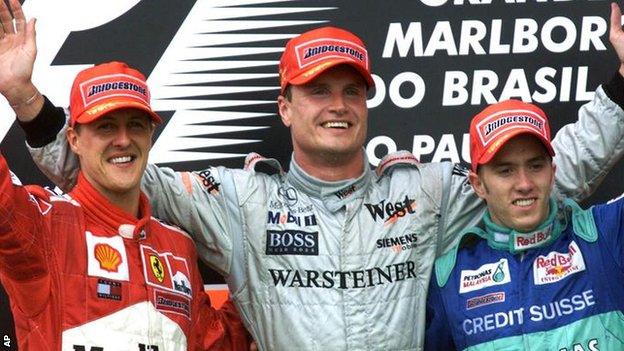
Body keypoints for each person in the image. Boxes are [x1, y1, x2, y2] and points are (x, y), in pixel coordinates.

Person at [4, 1, 624, 349]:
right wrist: (27, 99)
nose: (337, 105)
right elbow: (106, 170)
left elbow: (549, 177)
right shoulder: (238, 199)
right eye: (318, 90)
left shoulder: (424, 191)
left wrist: (622, 84)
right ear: (285, 107)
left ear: (368, 104)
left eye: (352, 91)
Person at [0, 11, 250, 347]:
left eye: (135, 125)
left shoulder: (177, 247)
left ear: (149, 136)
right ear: (73, 139)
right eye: (105, 126)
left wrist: (263, 273)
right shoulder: (47, 226)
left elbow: (216, 342)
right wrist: (18, 90)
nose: (122, 140)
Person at [424, 99, 624, 350]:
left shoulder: (605, 235)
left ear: (552, 172)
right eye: (505, 171)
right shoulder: (449, 278)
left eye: (535, 166)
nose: (524, 183)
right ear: (478, 184)